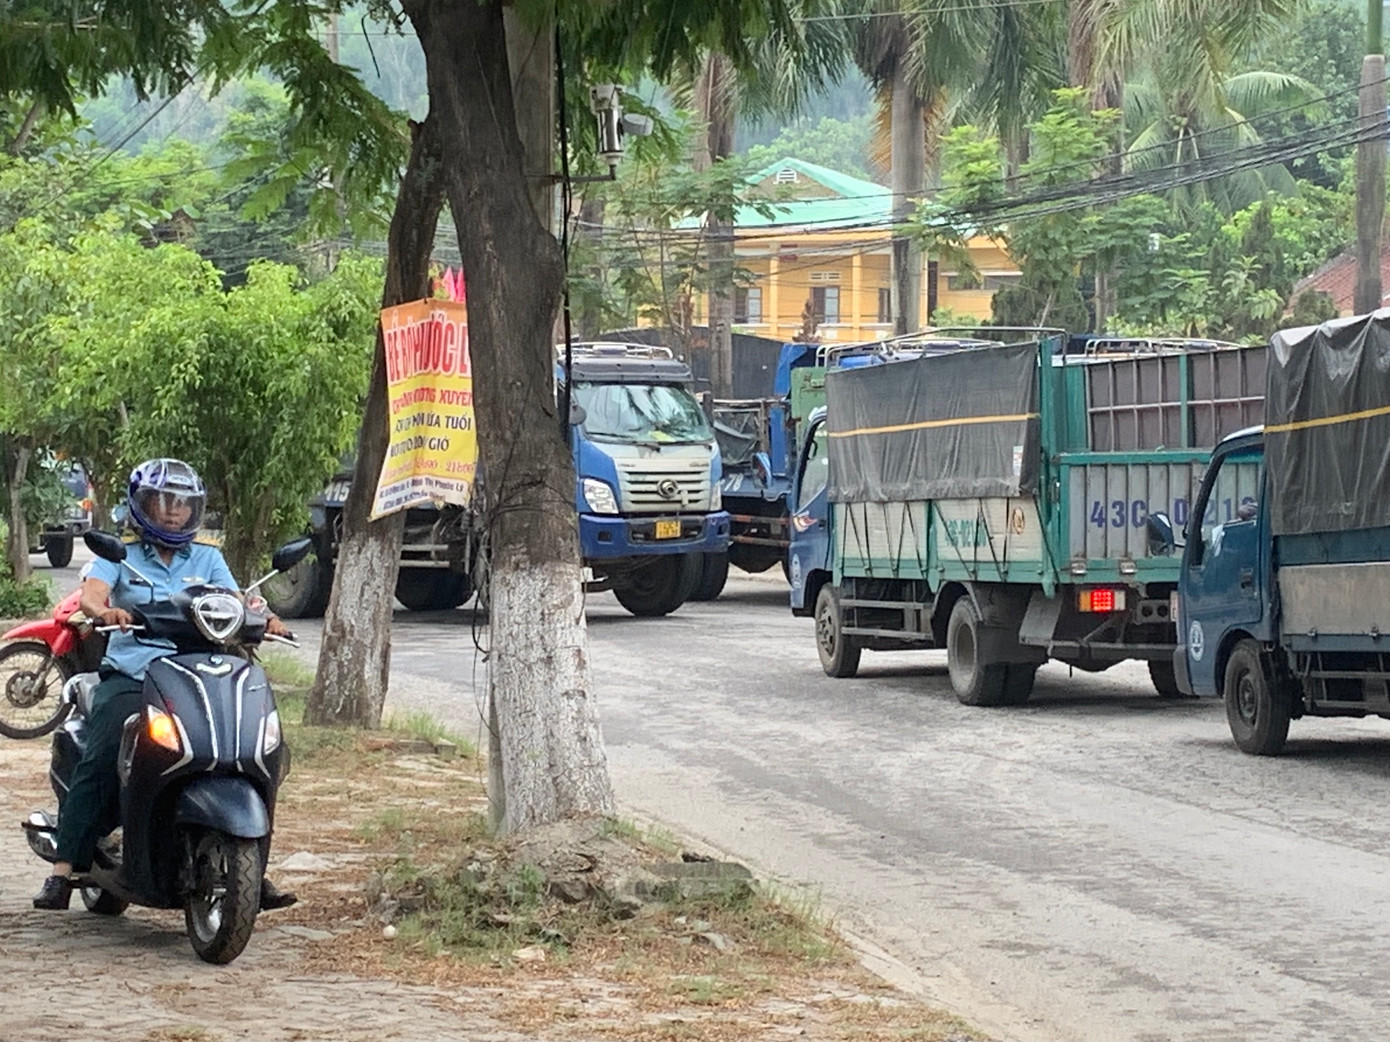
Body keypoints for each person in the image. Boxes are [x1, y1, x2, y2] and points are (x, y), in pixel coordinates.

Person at [33, 458, 298, 912]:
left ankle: (251, 866)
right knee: (103, 751)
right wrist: (106, 612)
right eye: (163, 501)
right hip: (134, 674)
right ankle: (63, 867)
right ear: (143, 505)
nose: (173, 511)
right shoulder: (120, 556)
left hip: (199, 673)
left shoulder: (209, 558)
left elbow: (236, 601)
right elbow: (93, 596)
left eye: (182, 503)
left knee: (253, 749)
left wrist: (266, 618)